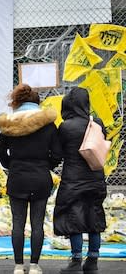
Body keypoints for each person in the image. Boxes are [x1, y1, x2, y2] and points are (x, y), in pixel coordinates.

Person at [0, 83, 62, 274]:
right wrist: (46, 165)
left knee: (18, 222)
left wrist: (11, 165)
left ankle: (18, 266)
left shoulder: (9, 124)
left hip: (17, 178)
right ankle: (34, 265)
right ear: (37, 102)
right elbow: (58, 153)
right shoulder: (48, 124)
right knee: (37, 223)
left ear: (17, 102)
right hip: (41, 178)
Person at [53, 87, 107, 274]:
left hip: (73, 179)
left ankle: (75, 260)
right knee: (94, 217)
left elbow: (58, 153)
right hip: (96, 177)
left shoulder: (66, 126)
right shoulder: (97, 123)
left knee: (73, 218)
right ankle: (92, 260)